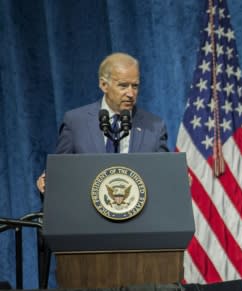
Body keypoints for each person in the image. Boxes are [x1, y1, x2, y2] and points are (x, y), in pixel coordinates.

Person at [36, 52, 168, 193]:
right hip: (87, 210)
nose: (131, 93)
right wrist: (49, 182)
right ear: (104, 85)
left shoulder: (154, 126)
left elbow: (164, 175)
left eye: (135, 86)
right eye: (123, 86)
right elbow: (61, 173)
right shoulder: (76, 122)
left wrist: (176, 176)